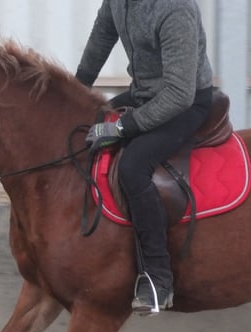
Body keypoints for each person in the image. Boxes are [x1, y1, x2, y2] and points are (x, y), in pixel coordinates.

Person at [76, 0, 214, 316]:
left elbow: (179, 94)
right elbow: (101, 37)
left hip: (186, 103)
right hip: (145, 94)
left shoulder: (175, 9)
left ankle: (157, 279)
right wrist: (76, 89)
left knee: (133, 166)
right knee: (85, 124)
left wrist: (123, 127)